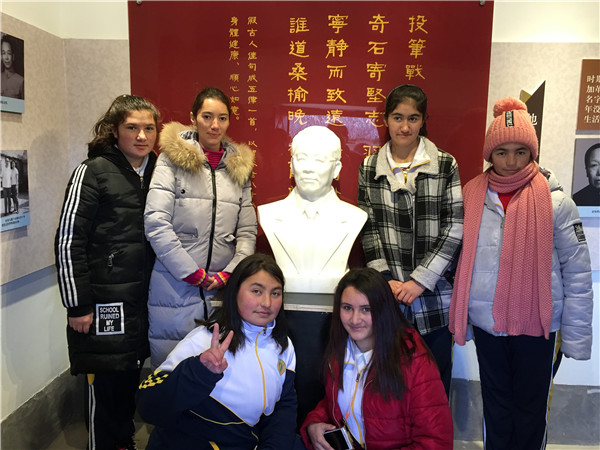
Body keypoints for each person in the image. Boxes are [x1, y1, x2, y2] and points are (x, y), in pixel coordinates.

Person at [449, 97, 593, 450]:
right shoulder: (472, 196)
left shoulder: (556, 202)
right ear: (490, 154)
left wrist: (576, 338)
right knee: (496, 407)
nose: (511, 161)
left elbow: (577, 274)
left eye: (520, 152)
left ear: (532, 153)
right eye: (502, 152)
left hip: (538, 328)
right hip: (487, 324)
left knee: (530, 410)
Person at [54, 94, 159, 450]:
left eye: (149, 128)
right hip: (101, 304)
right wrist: (78, 305)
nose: (142, 136)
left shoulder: (159, 173)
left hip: (141, 303)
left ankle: (122, 442)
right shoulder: (93, 171)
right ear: (114, 130)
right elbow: (69, 240)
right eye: (132, 127)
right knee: (104, 387)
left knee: (129, 378)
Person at [358, 84, 463, 398]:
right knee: (391, 388)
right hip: (389, 298)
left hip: (434, 298)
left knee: (434, 388)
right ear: (386, 120)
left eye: (413, 118)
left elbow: (454, 227)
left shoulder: (445, 164)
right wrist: (386, 280)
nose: (405, 127)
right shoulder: (369, 167)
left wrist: (420, 281)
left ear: (423, 121)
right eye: (397, 117)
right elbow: (368, 227)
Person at [136, 253, 302, 449]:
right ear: (235, 292)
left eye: (275, 293)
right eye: (257, 291)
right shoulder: (204, 339)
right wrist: (198, 372)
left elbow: (283, 408)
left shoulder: (284, 346)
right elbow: (148, 406)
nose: (267, 303)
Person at [144, 86, 256, 369]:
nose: (214, 125)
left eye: (222, 118)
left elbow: (246, 232)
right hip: (174, 285)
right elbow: (156, 222)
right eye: (207, 116)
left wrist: (230, 273)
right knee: (172, 366)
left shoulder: (239, 169)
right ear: (193, 118)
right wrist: (190, 273)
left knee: (218, 369)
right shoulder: (171, 160)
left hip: (221, 288)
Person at [300, 268, 453, 449]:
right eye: (347, 308)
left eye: (366, 309)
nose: (355, 320)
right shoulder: (338, 351)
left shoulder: (414, 360)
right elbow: (334, 404)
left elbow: (437, 442)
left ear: (383, 310)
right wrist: (314, 423)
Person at [258, 125, 367, 294]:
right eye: (301, 159)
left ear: (336, 169)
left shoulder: (354, 217)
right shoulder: (269, 214)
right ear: (292, 165)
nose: (308, 169)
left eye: (319, 160)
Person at [1, 35, 24, 99]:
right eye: (3, 53)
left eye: (9, 53)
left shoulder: (21, 81)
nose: (6, 58)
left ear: (13, 56)